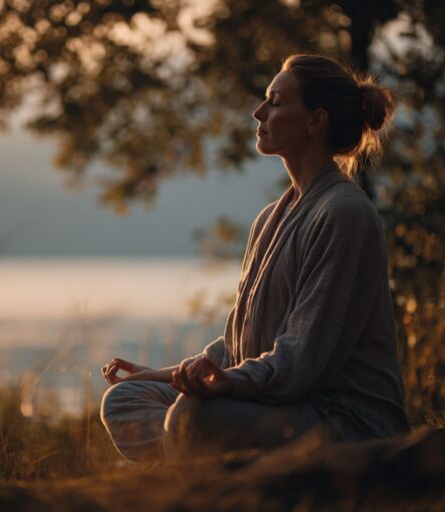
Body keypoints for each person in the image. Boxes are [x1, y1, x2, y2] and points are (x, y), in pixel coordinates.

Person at [99, 54, 410, 464]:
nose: (258, 112)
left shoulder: (344, 213)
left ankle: (204, 471)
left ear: (316, 121)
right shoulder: (270, 218)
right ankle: (208, 465)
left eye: (275, 102)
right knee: (125, 399)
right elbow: (237, 345)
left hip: (342, 419)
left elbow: (300, 361)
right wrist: (164, 374)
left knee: (192, 417)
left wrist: (226, 385)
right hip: (276, 402)